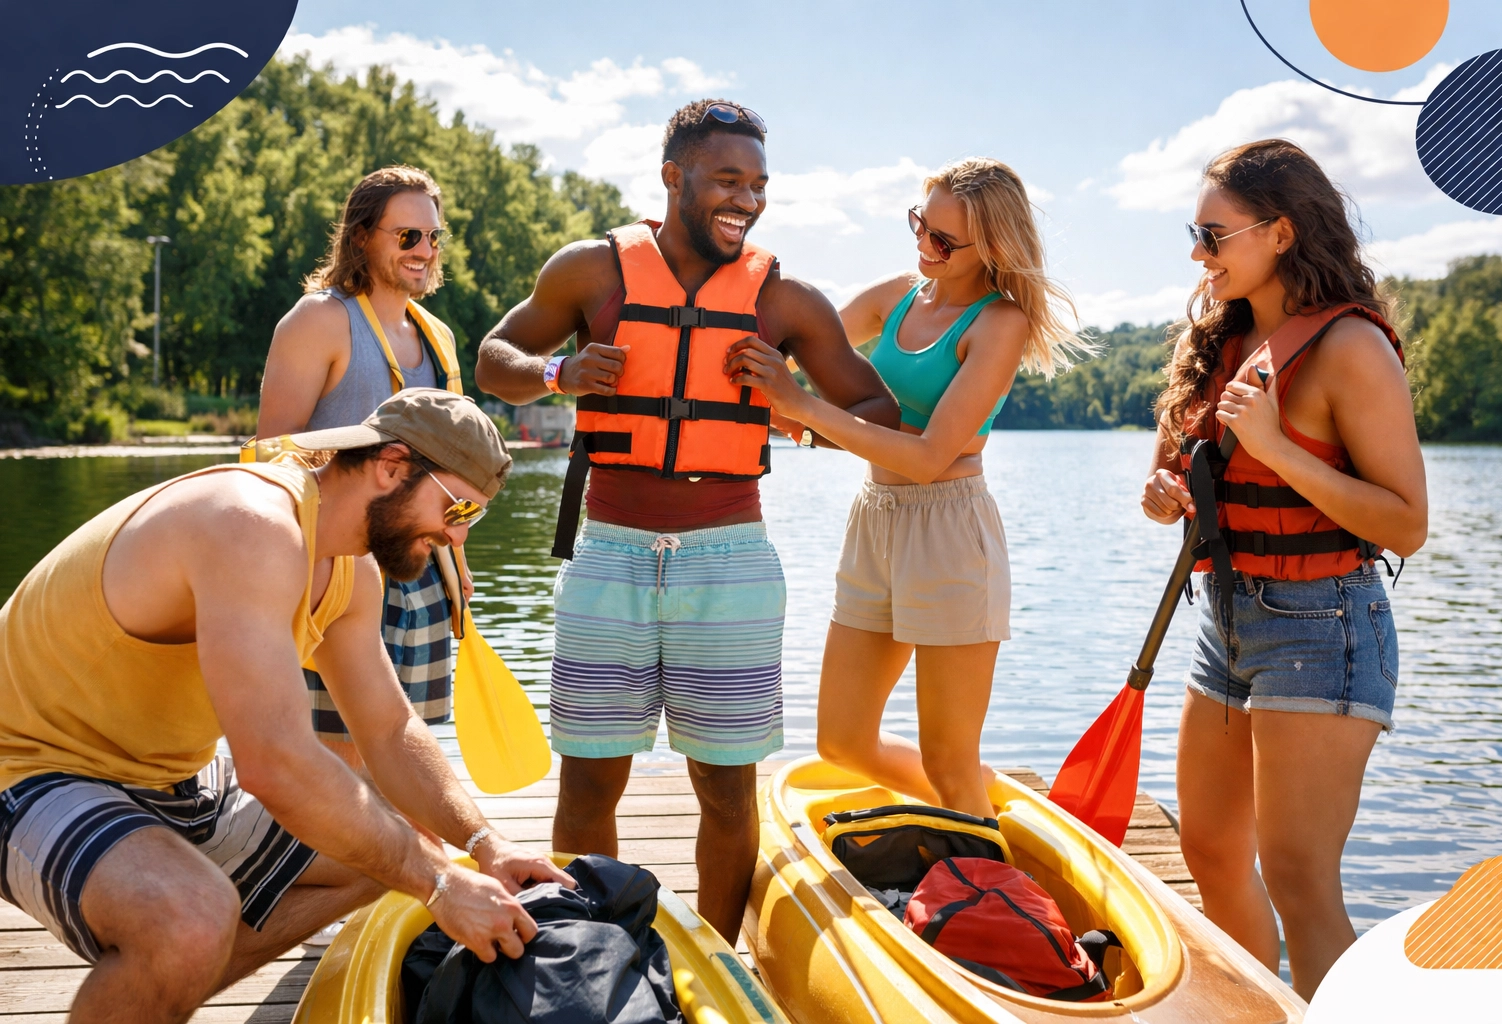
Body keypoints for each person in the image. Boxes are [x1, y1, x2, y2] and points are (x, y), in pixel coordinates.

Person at [0, 389, 572, 1024]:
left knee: (404, 846)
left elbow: (387, 729)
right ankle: (164, 968)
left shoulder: (350, 568)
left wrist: (481, 844)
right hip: (27, 767)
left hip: (162, 775)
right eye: (457, 505)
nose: (456, 533)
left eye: (475, 517)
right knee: (193, 919)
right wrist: (439, 884)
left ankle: (154, 990)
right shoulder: (252, 524)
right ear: (391, 464)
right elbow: (273, 762)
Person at [475, 98, 899, 942]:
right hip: (609, 555)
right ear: (675, 177)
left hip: (729, 559)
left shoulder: (786, 300)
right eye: (728, 179)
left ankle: (721, 961)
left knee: (727, 789)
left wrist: (790, 400)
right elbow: (494, 358)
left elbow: (876, 412)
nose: (748, 199)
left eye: (760, 184)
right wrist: (559, 372)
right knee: (589, 786)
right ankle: (594, 954)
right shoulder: (590, 271)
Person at [1138, 140, 1427, 999]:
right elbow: (1179, 474)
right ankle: (1260, 1014)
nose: (1198, 252)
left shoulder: (1348, 350)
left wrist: (1275, 448)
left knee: (1298, 875)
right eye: (1195, 232)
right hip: (1224, 619)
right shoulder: (1216, 339)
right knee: (1210, 849)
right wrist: (1163, 495)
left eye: (1213, 233)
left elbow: (1407, 524)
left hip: (1324, 624)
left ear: (1282, 232)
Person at [726, 158, 1078, 818]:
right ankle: (986, 813)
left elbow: (928, 457)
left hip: (950, 530)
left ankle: (984, 856)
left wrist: (800, 411)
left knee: (949, 754)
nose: (924, 246)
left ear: (995, 247)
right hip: (875, 519)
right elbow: (799, 338)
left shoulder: (999, 324)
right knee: (841, 739)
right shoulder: (899, 295)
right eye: (921, 224)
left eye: (943, 240)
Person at [256, 165, 469, 777]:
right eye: (408, 237)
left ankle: (414, 867)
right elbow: (272, 458)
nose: (425, 251)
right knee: (339, 769)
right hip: (334, 575)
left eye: (433, 237)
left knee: (414, 754)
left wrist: (459, 557)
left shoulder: (440, 337)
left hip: (422, 573)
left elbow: (449, 467)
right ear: (361, 238)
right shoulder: (318, 321)